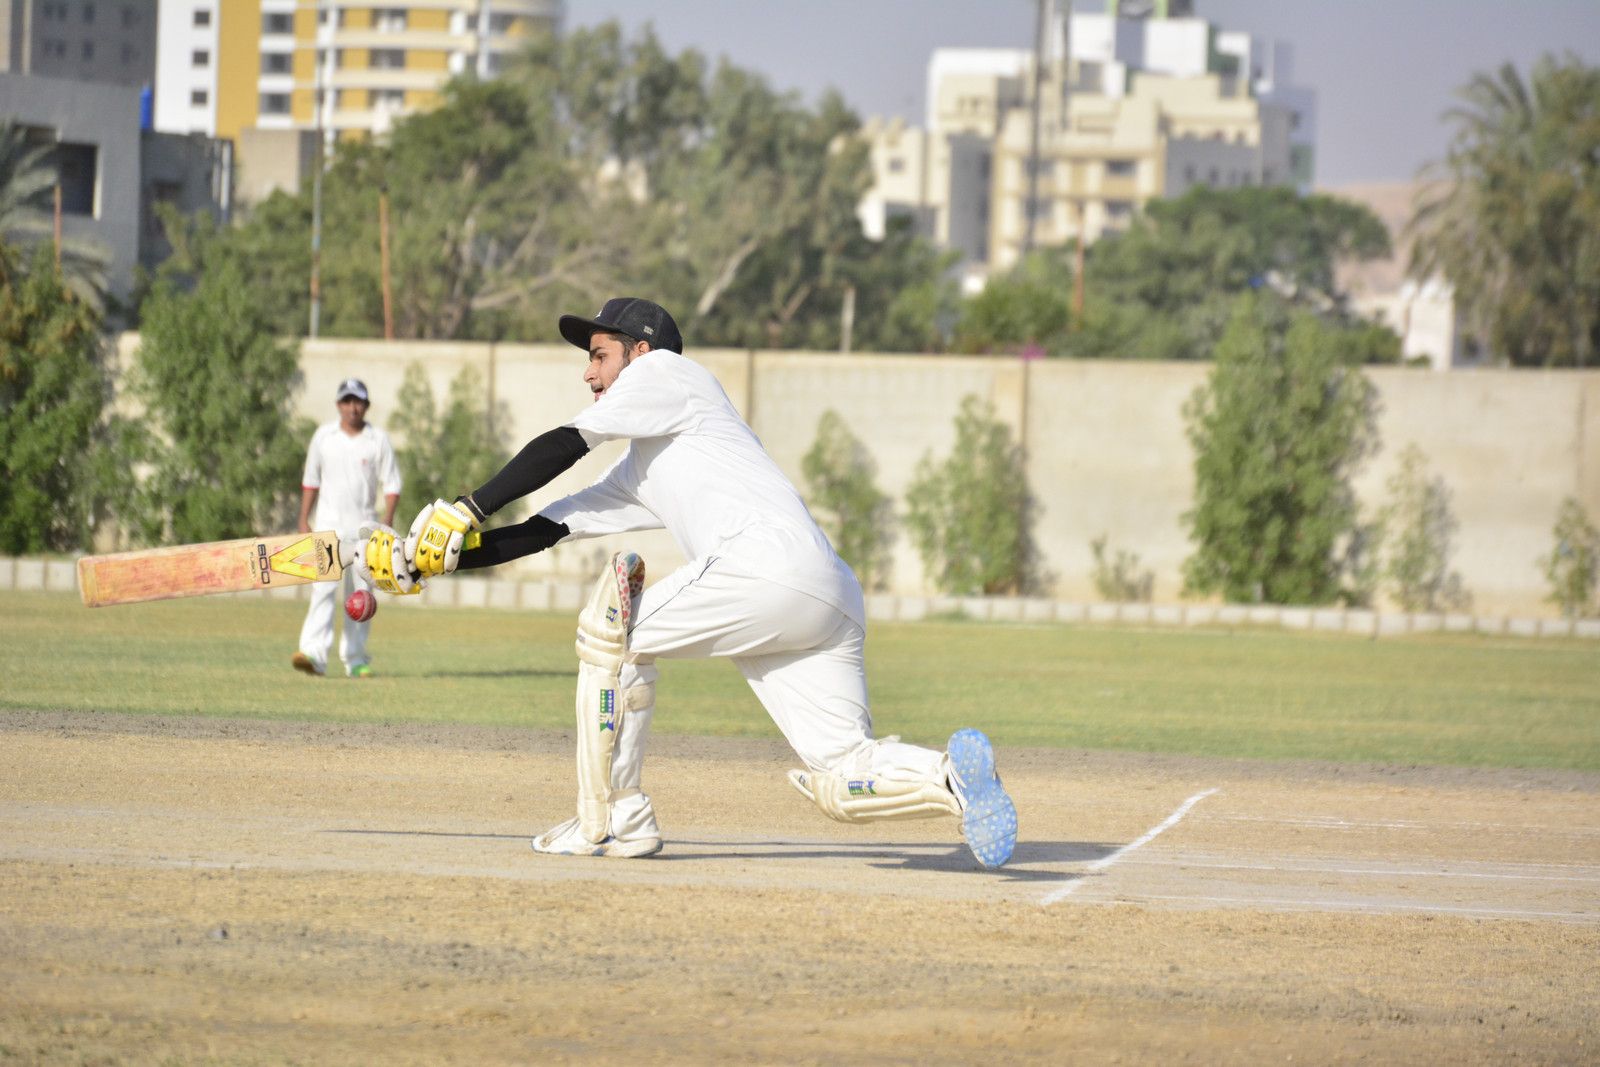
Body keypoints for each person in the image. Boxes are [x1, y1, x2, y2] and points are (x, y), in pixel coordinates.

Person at [355, 299, 1017, 868]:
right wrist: (427, 561)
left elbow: (568, 440)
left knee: (611, 637)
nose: (588, 372)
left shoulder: (669, 374)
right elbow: (545, 528)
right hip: (825, 591)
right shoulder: (652, 459)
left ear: (640, 351)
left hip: (761, 567)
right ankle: (952, 779)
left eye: (599, 355)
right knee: (842, 773)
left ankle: (611, 820)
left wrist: (468, 506)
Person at [292, 378, 402, 679]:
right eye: (348, 401)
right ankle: (313, 655)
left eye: (358, 402)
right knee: (322, 591)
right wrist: (303, 518)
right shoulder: (324, 437)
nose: (353, 407)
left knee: (361, 596)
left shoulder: (377, 440)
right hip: (327, 529)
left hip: (365, 531)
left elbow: (392, 485)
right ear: (339, 404)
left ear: (366, 406)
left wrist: (387, 521)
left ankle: (355, 660)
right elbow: (311, 480)